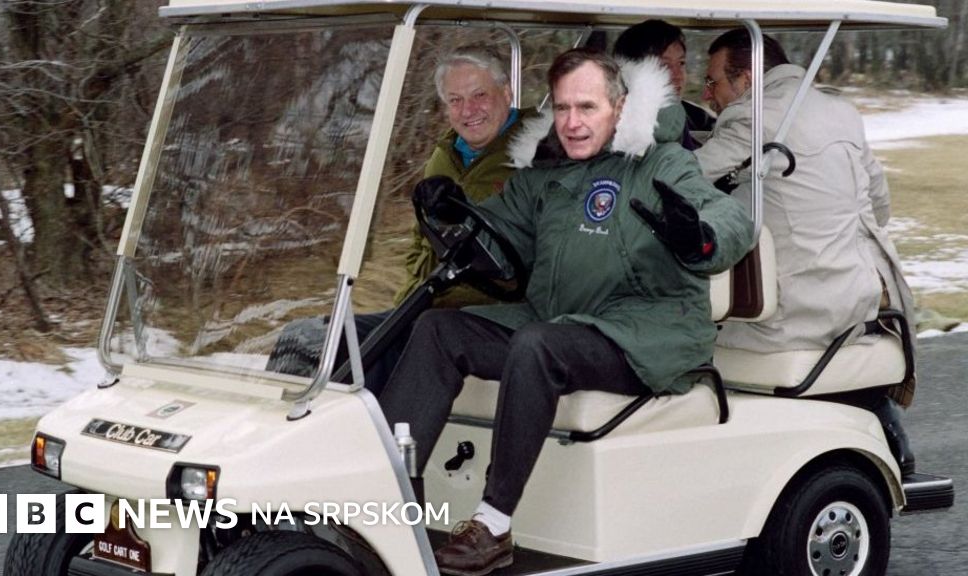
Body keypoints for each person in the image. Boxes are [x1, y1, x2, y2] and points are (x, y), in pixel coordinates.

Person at [379, 49, 753, 575]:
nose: (573, 122)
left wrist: (701, 239)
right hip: (565, 320)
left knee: (538, 344)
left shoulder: (660, 162)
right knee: (438, 329)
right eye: (562, 108)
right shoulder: (545, 175)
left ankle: (493, 524)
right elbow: (498, 230)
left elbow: (731, 217)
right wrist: (451, 215)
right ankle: (395, 496)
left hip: (647, 331)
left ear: (619, 107)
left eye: (587, 107)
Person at [693, 29, 917, 474]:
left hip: (795, 314)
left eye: (713, 81)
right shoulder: (841, 110)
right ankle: (876, 416)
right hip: (861, 301)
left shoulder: (752, 115)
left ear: (747, 79)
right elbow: (881, 206)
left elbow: (682, 181)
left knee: (677, 335)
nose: (707, 94)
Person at [266, 46, 533, 393]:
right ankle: (283, 423)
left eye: (479, 95)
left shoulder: (537, 153)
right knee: (307, 338)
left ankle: (375, 427)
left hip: (493, 314)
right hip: (427, 303)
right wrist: (407, 300)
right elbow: (420, 243)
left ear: (507, 93)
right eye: (455, 100)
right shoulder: (446, 155)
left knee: (392, 348)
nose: (468, 110)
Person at [612, 19, 716, 149]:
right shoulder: (614, 122)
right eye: (663, 66)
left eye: (681, 63)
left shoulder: (698, 118)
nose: (677, 75)